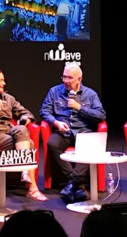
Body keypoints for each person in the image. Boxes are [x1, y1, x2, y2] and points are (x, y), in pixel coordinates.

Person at [0, 67, 47, 201]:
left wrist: (24, 120)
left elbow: (26, 113)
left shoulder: (8, 98)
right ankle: (32, 188)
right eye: (0, 80)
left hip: (10, 130)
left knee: (22, 130)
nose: (4, 83)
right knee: (29, 143)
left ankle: (24, 172)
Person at [39, 61, 106, 203]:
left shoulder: (90, 94)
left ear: (79, 79)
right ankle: (77, 185)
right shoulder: (54, 91)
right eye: (64, 77)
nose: (66, 81)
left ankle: (71, 185)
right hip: (64, 132)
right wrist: (56, 122)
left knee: (90, 148)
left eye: (70, 78)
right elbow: (44, 111)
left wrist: (79, 107)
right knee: (52, 143)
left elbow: (101, 115)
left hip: (83, 132)